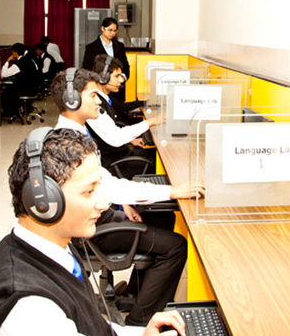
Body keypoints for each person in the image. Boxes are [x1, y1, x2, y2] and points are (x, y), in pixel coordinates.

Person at [0, 128, 186, 336]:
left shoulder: (52, 249)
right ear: (44, 203)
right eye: (88, 192)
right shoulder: (32, 311)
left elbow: (91, 328)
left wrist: (142, 334)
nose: (104, 204)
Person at [51, 68, 204, 326]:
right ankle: (140, 321)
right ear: (72, 100)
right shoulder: (71, 145)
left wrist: (126, 202)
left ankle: (136, 295)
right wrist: (171, 191)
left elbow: (103, 182)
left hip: (101, 211)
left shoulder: (74, 133)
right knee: (176, 246)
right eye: (93, 95)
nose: (99, 101)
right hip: (94, 226)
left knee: (163, 217)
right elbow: (107, 186)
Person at [87, 54, 160, 176]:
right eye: (117, 76)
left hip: (120, 152)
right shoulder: (96, 105)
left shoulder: (104, 97)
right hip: (115, 163)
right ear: (103, 77)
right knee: (160, 163)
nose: (121, 80)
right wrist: (152, 121)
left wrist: (130, 140)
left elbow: (108, 131)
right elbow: (114, 138)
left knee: (153, 154)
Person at [82, 17, 130, 103]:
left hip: (117, 90)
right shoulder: (91, 47)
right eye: (109, 30)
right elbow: (87, 69)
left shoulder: (120, 46)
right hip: (100, 88)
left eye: (114, 31)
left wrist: (122, 77)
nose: (112, 33)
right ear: (102, 28)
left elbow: (125, 66)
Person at [0, 42, 39, 117]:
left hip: (25, 90)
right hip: (33, 88)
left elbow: (3, 74)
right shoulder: (30, 60)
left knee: (5, 91)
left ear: (15, 52)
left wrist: (8, 61)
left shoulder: (19, 63)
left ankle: (10, 113)